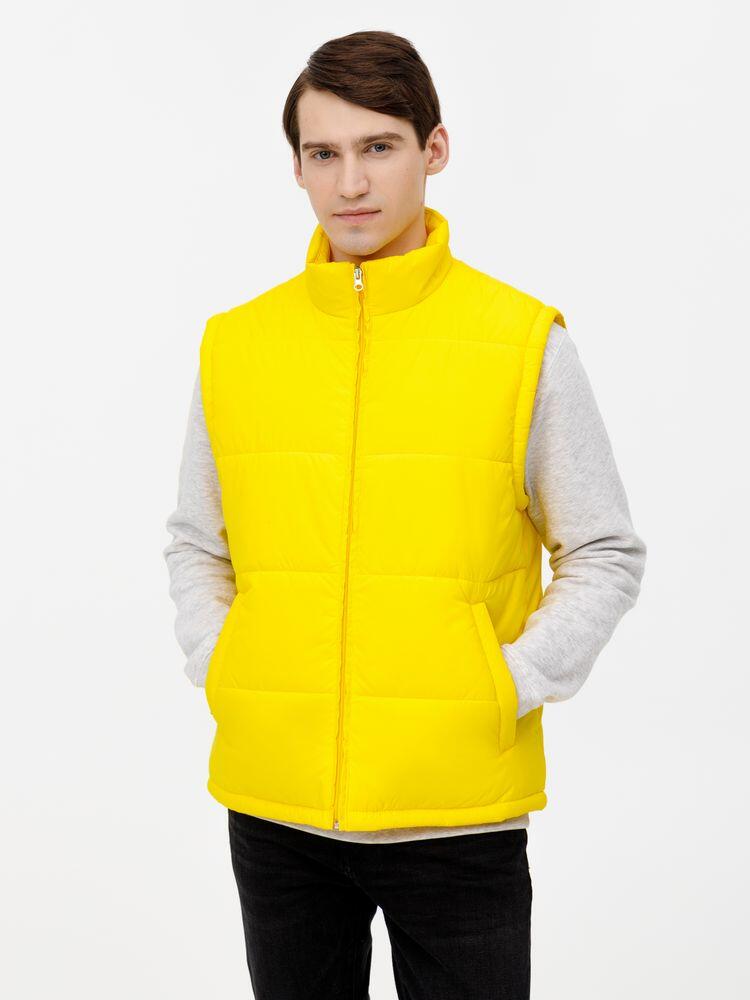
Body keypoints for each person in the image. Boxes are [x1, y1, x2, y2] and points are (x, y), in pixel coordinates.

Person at [163, 28, 647, 1000]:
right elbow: (196, 542)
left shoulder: (521, 342)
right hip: (275, 811)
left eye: (378, 147)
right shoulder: (237, 346)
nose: (350, 183)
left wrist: (502, 684)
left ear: (434, 149)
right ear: (297, 166)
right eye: (323, 153)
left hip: (456, 818)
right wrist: (227, 665)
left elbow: (604, 550)